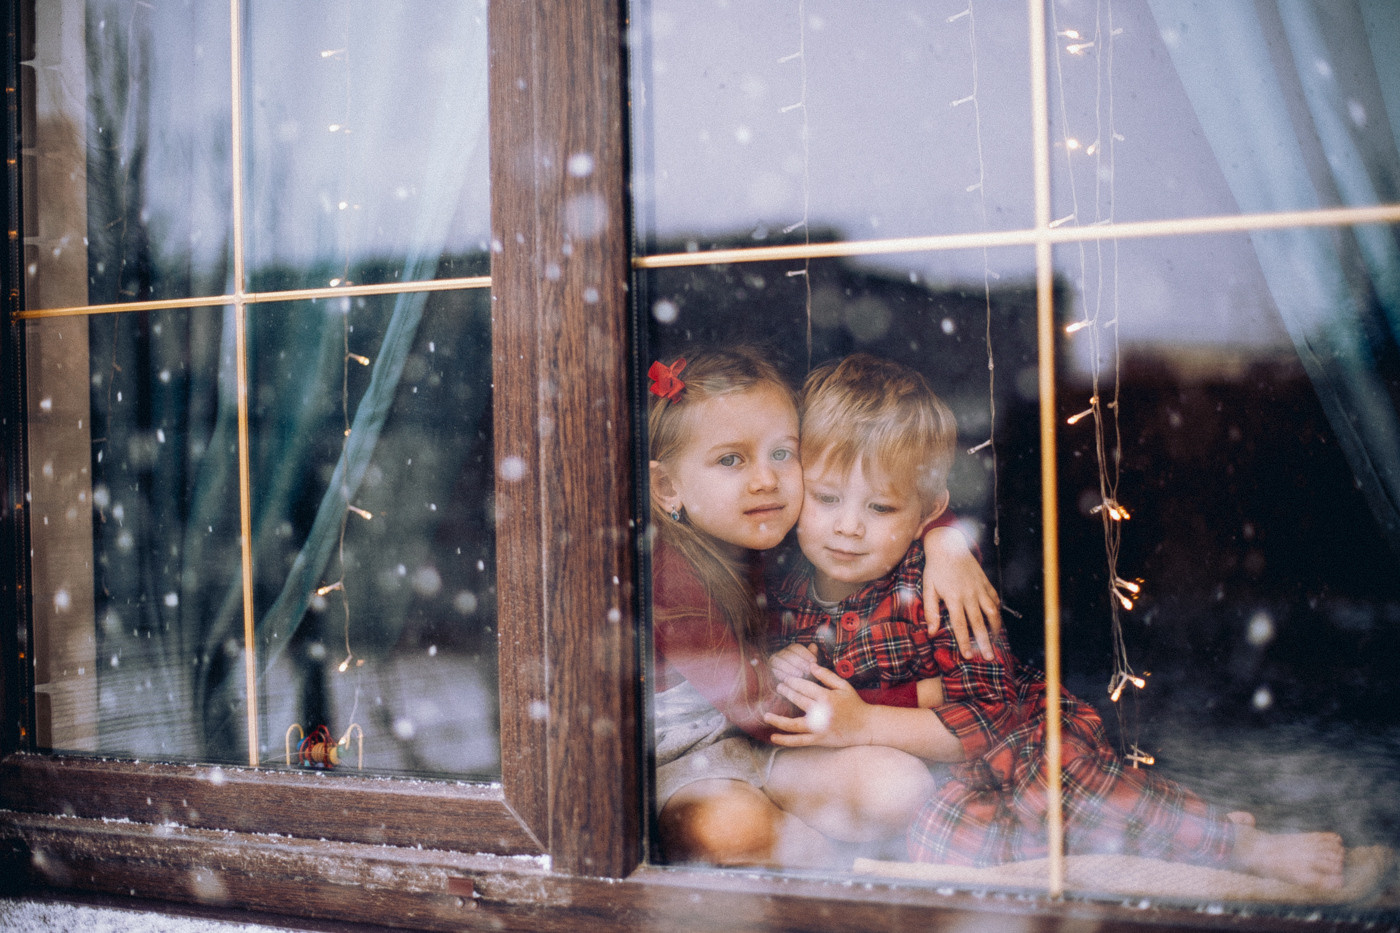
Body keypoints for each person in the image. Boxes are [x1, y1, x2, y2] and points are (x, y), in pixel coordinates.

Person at [764, 353, 1345, 889]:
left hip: (1016, 742)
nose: (848, 527)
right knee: (958, 847)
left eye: (881, 507)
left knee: (1071, 790)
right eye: (827, 498)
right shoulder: (790, 591)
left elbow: (989, 716)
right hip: (938, 784)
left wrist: (862, 723)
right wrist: (787, 668)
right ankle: (1178, 830)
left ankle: (1242, 847)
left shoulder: (940, 589)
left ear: (928, 511)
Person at [646, 346, 999, 869]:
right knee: (731, 829)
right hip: (687, 761)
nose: (766, 479)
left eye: (782, 454)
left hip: (765, 746)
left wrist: (944, 538)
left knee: (898, 786)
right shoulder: (667, 573)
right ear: (667, 486)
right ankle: (835, 889)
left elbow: (888, 493)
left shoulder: (768, 528)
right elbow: (761, 708)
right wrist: (904, 699)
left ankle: (820, 860)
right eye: (731, 459)